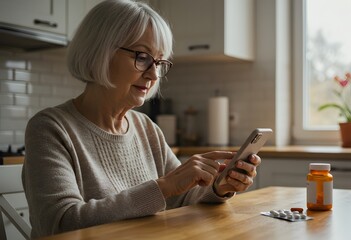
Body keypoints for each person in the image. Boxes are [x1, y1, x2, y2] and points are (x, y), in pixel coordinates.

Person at [22, 0, 261, 238]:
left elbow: (184, 197)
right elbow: (61, 224)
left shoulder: (145, 127)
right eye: (142, 56)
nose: (153, 74)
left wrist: (219, 187)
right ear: (99, 51)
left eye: (159, 62)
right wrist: (163, 187)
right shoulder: (50, 128)